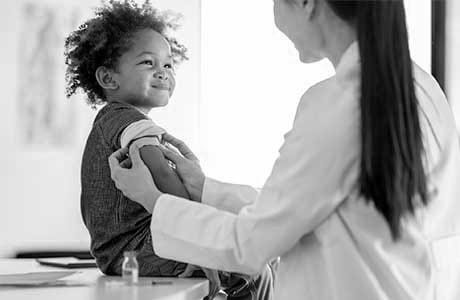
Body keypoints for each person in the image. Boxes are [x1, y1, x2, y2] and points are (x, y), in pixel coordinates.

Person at [108, 0, 460, 299]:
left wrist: (153, 200)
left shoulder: (337, 104)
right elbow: (320, 208)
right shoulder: (421, 90)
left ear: (307, 3)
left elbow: (251, 243)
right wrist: (204, 188)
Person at [64, 1, 274, 299]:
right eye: (148, 63)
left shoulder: (124, 122)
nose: (163, 72)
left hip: (130, 248)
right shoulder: (123, 118)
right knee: (250, 269)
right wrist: (196, 240)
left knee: (252, 259)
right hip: (135, 248)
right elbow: (159, 170)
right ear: (109, 78)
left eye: (168, 64)